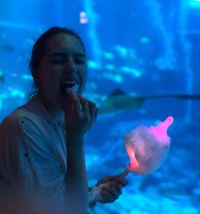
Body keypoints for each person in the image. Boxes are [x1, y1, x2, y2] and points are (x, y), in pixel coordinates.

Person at [0, 27, 128, 214]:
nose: (71, 67)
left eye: (79, 60)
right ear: (36, 72)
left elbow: (55, 193)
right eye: (58, 60)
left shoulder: (59, 120)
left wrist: (94, 192)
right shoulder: (24, 126)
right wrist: (76, 139)